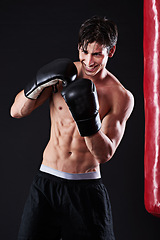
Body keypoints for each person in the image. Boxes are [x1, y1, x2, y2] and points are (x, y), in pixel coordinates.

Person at [10, 16, 134, 240]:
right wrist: (38, 84)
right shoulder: (62, 76)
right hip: (46, 183)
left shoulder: (120, 96)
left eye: (97, 54)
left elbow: (104, 153)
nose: (89, 61)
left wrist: (87, 118)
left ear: (111, 51)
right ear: (79, 48)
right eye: (84, 52)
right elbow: (16, 111)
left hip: (85, 190)